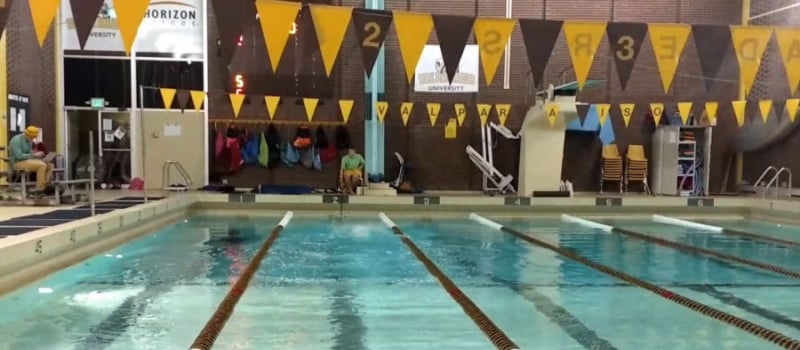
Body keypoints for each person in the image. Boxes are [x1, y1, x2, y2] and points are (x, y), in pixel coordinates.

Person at [8, 126, 53, 196]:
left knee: (49, 165)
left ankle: (45, 186)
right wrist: (34, 155)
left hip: (27, 161)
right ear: (27, 134)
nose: (33, 139)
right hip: (17, 163)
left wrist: (39, 157)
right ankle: (39, 190)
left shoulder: (29, 141)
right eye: (32, 137)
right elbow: (19, 156)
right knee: (41, 165)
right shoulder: (16, 140)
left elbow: (29, 154)